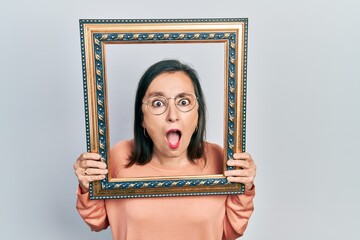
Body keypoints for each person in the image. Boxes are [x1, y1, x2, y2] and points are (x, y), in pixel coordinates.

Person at [74, 59, 256, 240]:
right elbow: (96, 221)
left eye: (183, 102)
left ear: (198, 114)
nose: (172, 115)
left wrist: (244, 187)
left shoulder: (220, 158)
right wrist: (87, 184)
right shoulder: (119, 156)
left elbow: (233, 229)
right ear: (142, 119)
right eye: (158, 103)